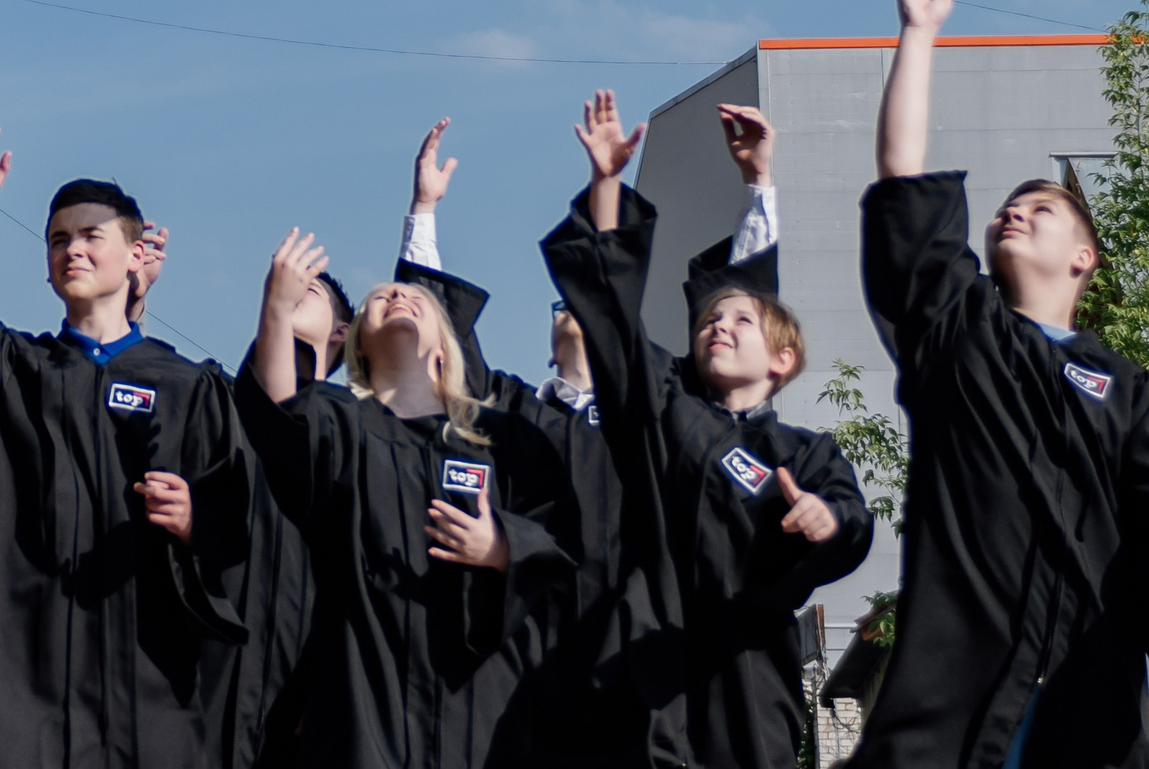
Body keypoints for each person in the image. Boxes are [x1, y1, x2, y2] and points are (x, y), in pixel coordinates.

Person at [852, 0, 1149, 769]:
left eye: (1042, 207)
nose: (1012, 211)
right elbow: (904, 179)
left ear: (1085, 257)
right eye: (1006, 206)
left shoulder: (1128, 389)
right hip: (954, 691)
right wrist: (917, 36)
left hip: (1085, 693)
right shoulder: (958, 328)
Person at [0, 128, 248, 769]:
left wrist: (195, 522)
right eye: (58, 239)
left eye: (91, 236)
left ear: (136, 254)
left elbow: (245, 535)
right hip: (11, 698)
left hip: (146, 697)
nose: (72, 249)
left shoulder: (191, 390)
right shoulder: (3, 368)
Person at [543, 91, 872, 769]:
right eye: (706, 322)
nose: (718, 324)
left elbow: (851, 521)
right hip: (649, 662)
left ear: (784, 359)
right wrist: (607, 186)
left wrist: (826, 517)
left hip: (751, 677)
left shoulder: (806, 452)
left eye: (740, 322)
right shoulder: (666, 410)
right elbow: (611, 319)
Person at [236, 231, 573, 769]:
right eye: (379, 298)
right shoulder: (339, 419)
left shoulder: (505, 439)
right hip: (365, 694)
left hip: (478, 704)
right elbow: (277, 418)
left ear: (444, 343)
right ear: (358, 345)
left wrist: (501, 546)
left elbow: (563, 544)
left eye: (415, 297)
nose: (396, 297)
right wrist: (276, 309)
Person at [395, 119, 647, 769]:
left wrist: (606, 187)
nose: (572, 305)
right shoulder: (510, 410)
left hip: (632, 662)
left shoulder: (649, 420)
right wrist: (424, 210)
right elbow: (438, 343)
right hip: (523, 663)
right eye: (561, 300)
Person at [229, 261, 351, 769]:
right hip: (225, 674)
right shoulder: (227, 407)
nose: (298, 288)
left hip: (307, 687)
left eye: (314, 289)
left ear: (343, 331)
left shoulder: (358, 431)